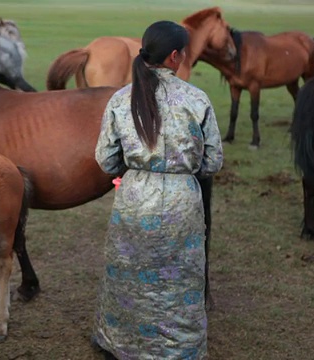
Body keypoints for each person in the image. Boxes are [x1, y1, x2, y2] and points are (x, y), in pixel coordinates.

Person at [92, 20, 223, 360]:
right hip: (182, 199)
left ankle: (122, 343)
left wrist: (136, 171)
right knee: (179, 279)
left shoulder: (121, 100)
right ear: (175, 56)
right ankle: (179, 348)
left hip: (134, 196)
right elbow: (212, 162)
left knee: (128, 274)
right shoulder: (197, 99)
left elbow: (105, 160)